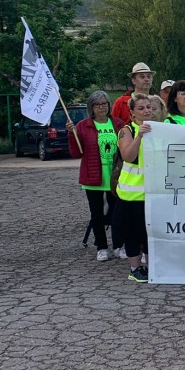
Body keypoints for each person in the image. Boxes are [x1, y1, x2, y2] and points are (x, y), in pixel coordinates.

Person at [66, 90, 124, 261]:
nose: (101, 107)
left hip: (116, 177)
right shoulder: (84, 126)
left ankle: (119, 245)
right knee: (97, 214)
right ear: (91, 107)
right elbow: (77, 153)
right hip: (93, 177)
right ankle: (102, 247)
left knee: (117, 214)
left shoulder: (118, 123)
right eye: (97, 104)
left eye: (104, 103)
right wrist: (72, 134)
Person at [114, 94, 153, 283]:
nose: (146, 111)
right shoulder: (127, 130)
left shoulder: (158, 128)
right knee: (132, 234)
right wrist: (139, 135)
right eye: (141, 108)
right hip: (130, 195)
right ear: (132, 113)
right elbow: (128, 156)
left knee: (150, 234)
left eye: (149, 107)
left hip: (151, 194)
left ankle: (152, 267)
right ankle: (135, 268)